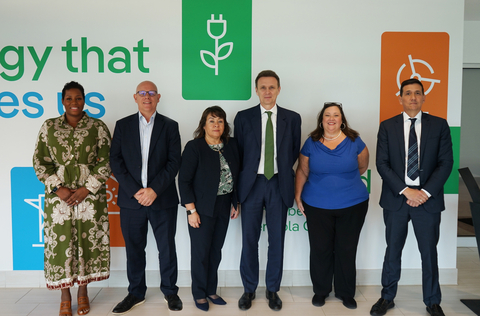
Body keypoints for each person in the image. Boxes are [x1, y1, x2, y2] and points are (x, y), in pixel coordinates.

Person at [370, 79, 453, 316]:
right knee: (392, 249)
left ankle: (433, 301)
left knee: (429, 252)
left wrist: (424, 193)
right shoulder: (387, 126)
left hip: (428, 200)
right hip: (397, 199)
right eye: (408, 93)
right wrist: (406, 191)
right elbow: (382, 164)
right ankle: (387, 297)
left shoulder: (439, 125)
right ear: (400, 98)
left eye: (418, 93)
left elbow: (446, 162)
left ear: (424, 97)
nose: (413, 97)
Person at [33, 81, 111, 316]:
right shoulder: (49, 127)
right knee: (63, 244)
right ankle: (65, 295)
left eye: (78, 98)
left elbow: (107, 161)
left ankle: (83, 293)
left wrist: (87, 188)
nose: (74, 103)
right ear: (62, 101)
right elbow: (40, 162)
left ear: (84, 100)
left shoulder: (97, 127)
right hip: (60, 200)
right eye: (69, 98)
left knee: (87, 243)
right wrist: (59, 189)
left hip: (90, 197)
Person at [110, 81, 183, 314]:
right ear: (135, 97)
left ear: (158, 97)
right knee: (134, 248)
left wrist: (154, 190)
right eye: (142, 93)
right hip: (131, 200)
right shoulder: (122, 126)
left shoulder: (170, 126)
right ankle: (135, 293)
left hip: (162, 199)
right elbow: (116, 162)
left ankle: (170, 291)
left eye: (151, 93)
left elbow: (174, 163)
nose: (147, 97)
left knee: (167, 248)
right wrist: (135, 190)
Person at [234, 70, 301, 311]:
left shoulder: (292, 118)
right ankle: (249, 289)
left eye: (272, 87)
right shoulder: (243, 117)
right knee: (249, 240)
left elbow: (293, 151)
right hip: (251, 185)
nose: (267, 92)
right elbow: (239, 153)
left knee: (277, 241)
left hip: (278, 183)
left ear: (279, 90)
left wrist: (279, 170)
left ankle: (273, 289)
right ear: (256, 90)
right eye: (263, 87)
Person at [295, 102, 369, 310]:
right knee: (320, 249)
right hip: (317, 205)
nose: (332, 118)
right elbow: (302, 170)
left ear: (342, 119)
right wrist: (298, 196)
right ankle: (321, 291)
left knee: (346, 249)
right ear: (321, 119)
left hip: (353, 204)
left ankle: (346, 293)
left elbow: (363, 166)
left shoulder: (355, 141)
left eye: (336, 115)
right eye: (328, 115)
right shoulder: (311, 142)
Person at [178, 106, 240, 311]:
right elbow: (184, 181)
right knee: (200, 252)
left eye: (220, 121)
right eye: (212, 121)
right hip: (201, 208)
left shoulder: (231, 146)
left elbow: (237, 177)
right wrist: (191, 211)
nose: (216, 125)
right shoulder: (195, 147)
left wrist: (235, 202)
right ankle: (199, 293)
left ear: (225, 125)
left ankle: (211, 290)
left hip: (224, 205)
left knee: (215, 251)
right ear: (203, 125)